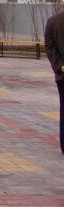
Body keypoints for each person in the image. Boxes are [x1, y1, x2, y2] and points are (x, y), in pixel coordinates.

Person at [44, 8, 64, 154]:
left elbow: (49, 48)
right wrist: (61, 66)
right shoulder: (54, 22)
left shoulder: (52, 21)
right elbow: (50, 47)